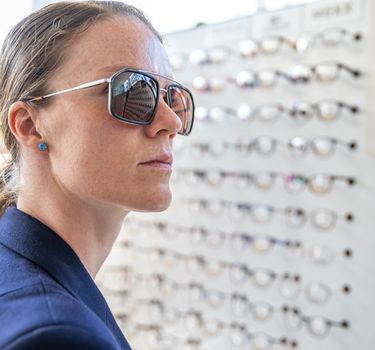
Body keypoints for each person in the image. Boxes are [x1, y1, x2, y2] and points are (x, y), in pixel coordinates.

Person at [0, 1, 194, 349]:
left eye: (172, 97)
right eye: (133, 92)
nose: (171, 122)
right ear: (30, 126)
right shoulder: (54, 336)